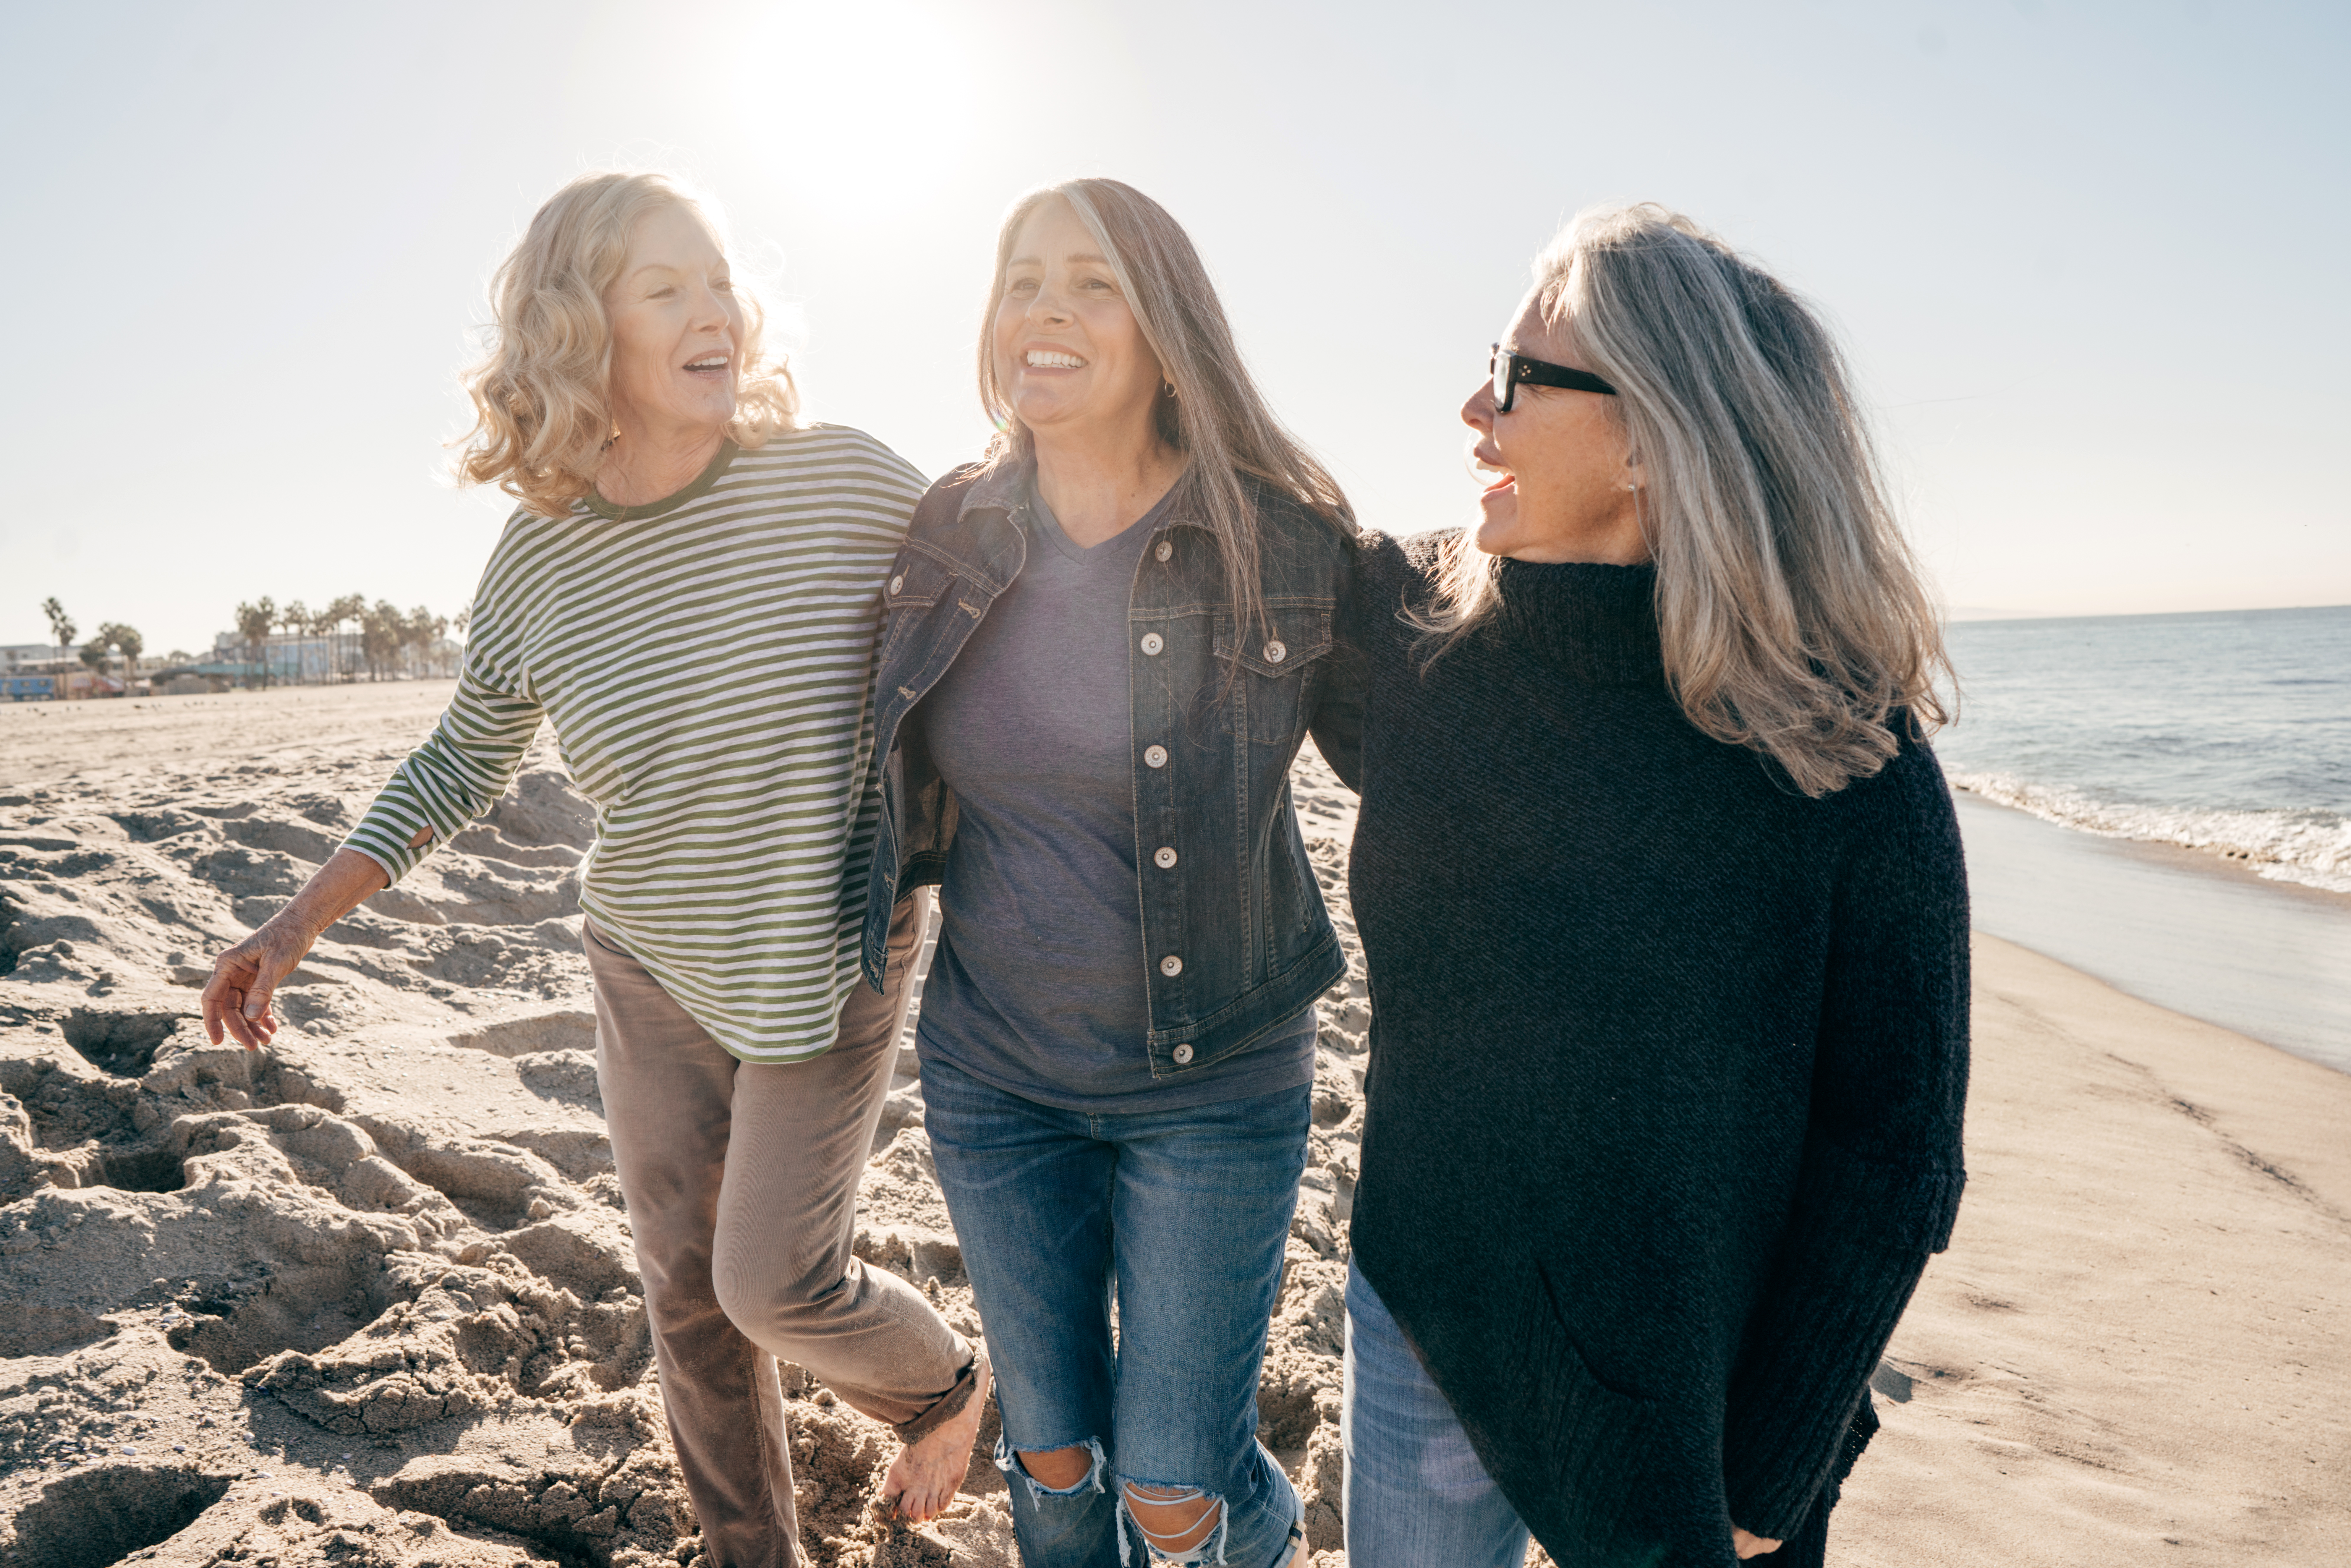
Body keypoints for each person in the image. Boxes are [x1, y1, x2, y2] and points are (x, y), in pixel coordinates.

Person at [197, 171, 988, 1565]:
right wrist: (297, 919)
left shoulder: (847, 482)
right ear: (582, 330)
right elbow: (458, 761)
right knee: (687, 1299)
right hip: (650, 962)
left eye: (719, 282)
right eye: (664, 288)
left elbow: (1011, 616)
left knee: (771, 1284)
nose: (712, 314)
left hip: (826, 954)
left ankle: (946, 1384)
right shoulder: (538, 561)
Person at [1329, 203, 1970, 1568]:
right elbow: (1205, 501)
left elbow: (1894, 1153)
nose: (1469, 407)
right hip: (1419, 1321)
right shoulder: (1407, 636)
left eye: (1513, 377)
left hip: (1690, 1409)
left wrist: (1767, 1480)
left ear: (1646, 433)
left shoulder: (1839, 756)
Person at [858, 179, 1357, 1568]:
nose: (1044, 311)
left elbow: (1432, 751)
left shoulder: (1281, 537)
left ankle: (1265, 1529)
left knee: (1171, 1494)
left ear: (1162, 325)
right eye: (1021, 279)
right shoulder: (949, 532)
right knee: (1055, 1468)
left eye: (1088, 282)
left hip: (1215, 1082)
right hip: (993, 1075)